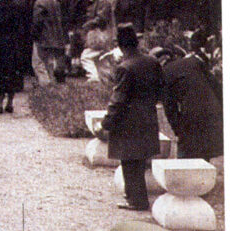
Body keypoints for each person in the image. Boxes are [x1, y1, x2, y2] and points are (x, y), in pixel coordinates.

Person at [95, 24, 163, 211]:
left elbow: (118, 100)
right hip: (148, 115)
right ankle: (136, 197)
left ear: (120, 45)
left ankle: (136, 200)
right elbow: (160, 88)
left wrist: (106, 123)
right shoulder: (152, 62)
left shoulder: (124, 67)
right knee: (139, 160)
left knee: (129, 162)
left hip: (129, 120)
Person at [157, 31, 223, 160]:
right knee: (204, 158)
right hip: (213, 113)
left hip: (191, 117)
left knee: (186, 161)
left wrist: (178, 130)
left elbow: (170, 108)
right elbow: (217, 87)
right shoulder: (193, 63)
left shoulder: (165, 73)